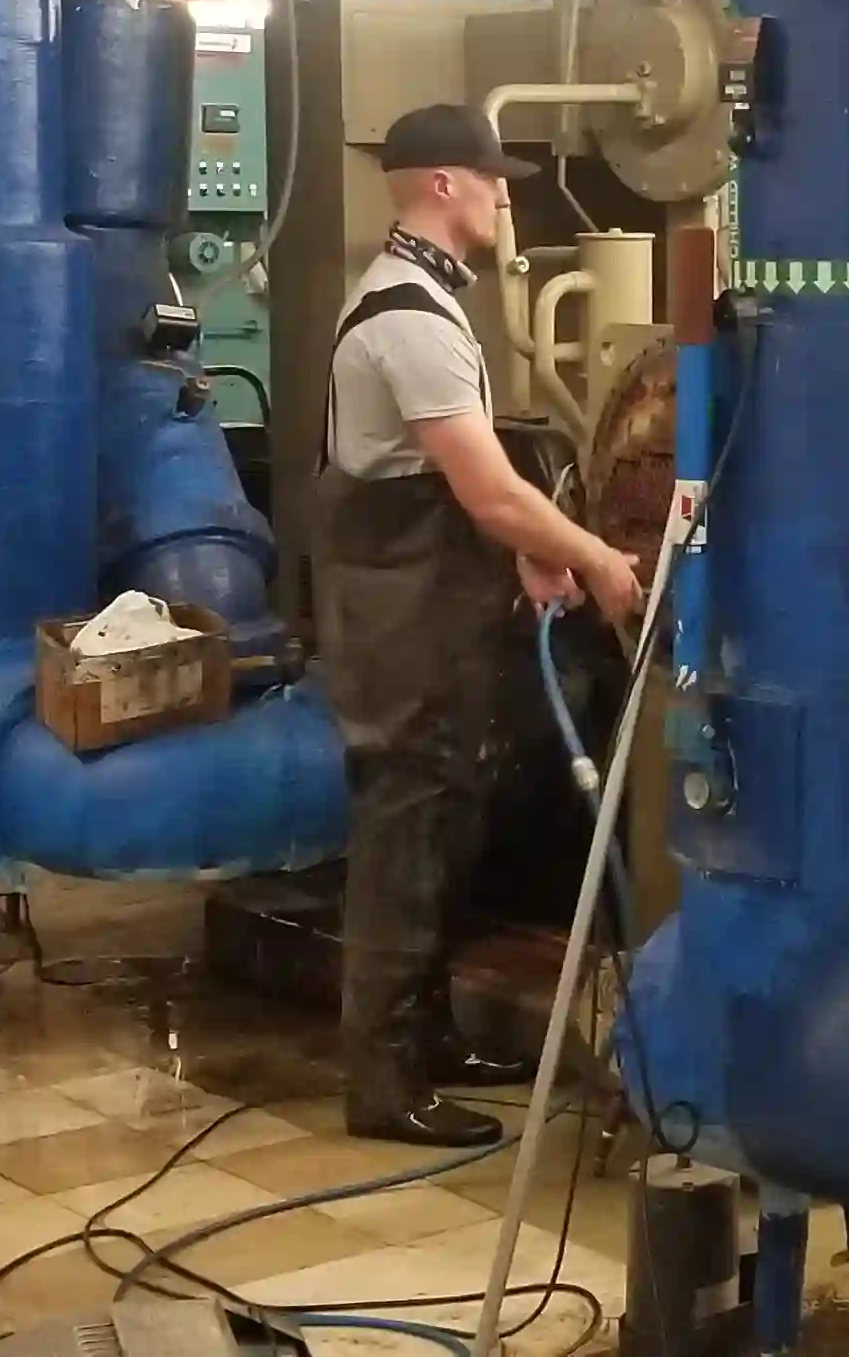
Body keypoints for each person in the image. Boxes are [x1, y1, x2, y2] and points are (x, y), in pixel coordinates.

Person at [316, 102, 645, 1148]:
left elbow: (466, 485)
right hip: (400, 618)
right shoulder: (410, 317)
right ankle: (382, 1082)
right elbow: (490, 489)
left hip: (428, 606)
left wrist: (527, 551)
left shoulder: (425, 299)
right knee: (407, 826)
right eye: (492, 177)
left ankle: (427, 1038)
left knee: (447, 816)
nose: (506, 194)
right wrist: (596, 559)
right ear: (442, 184)